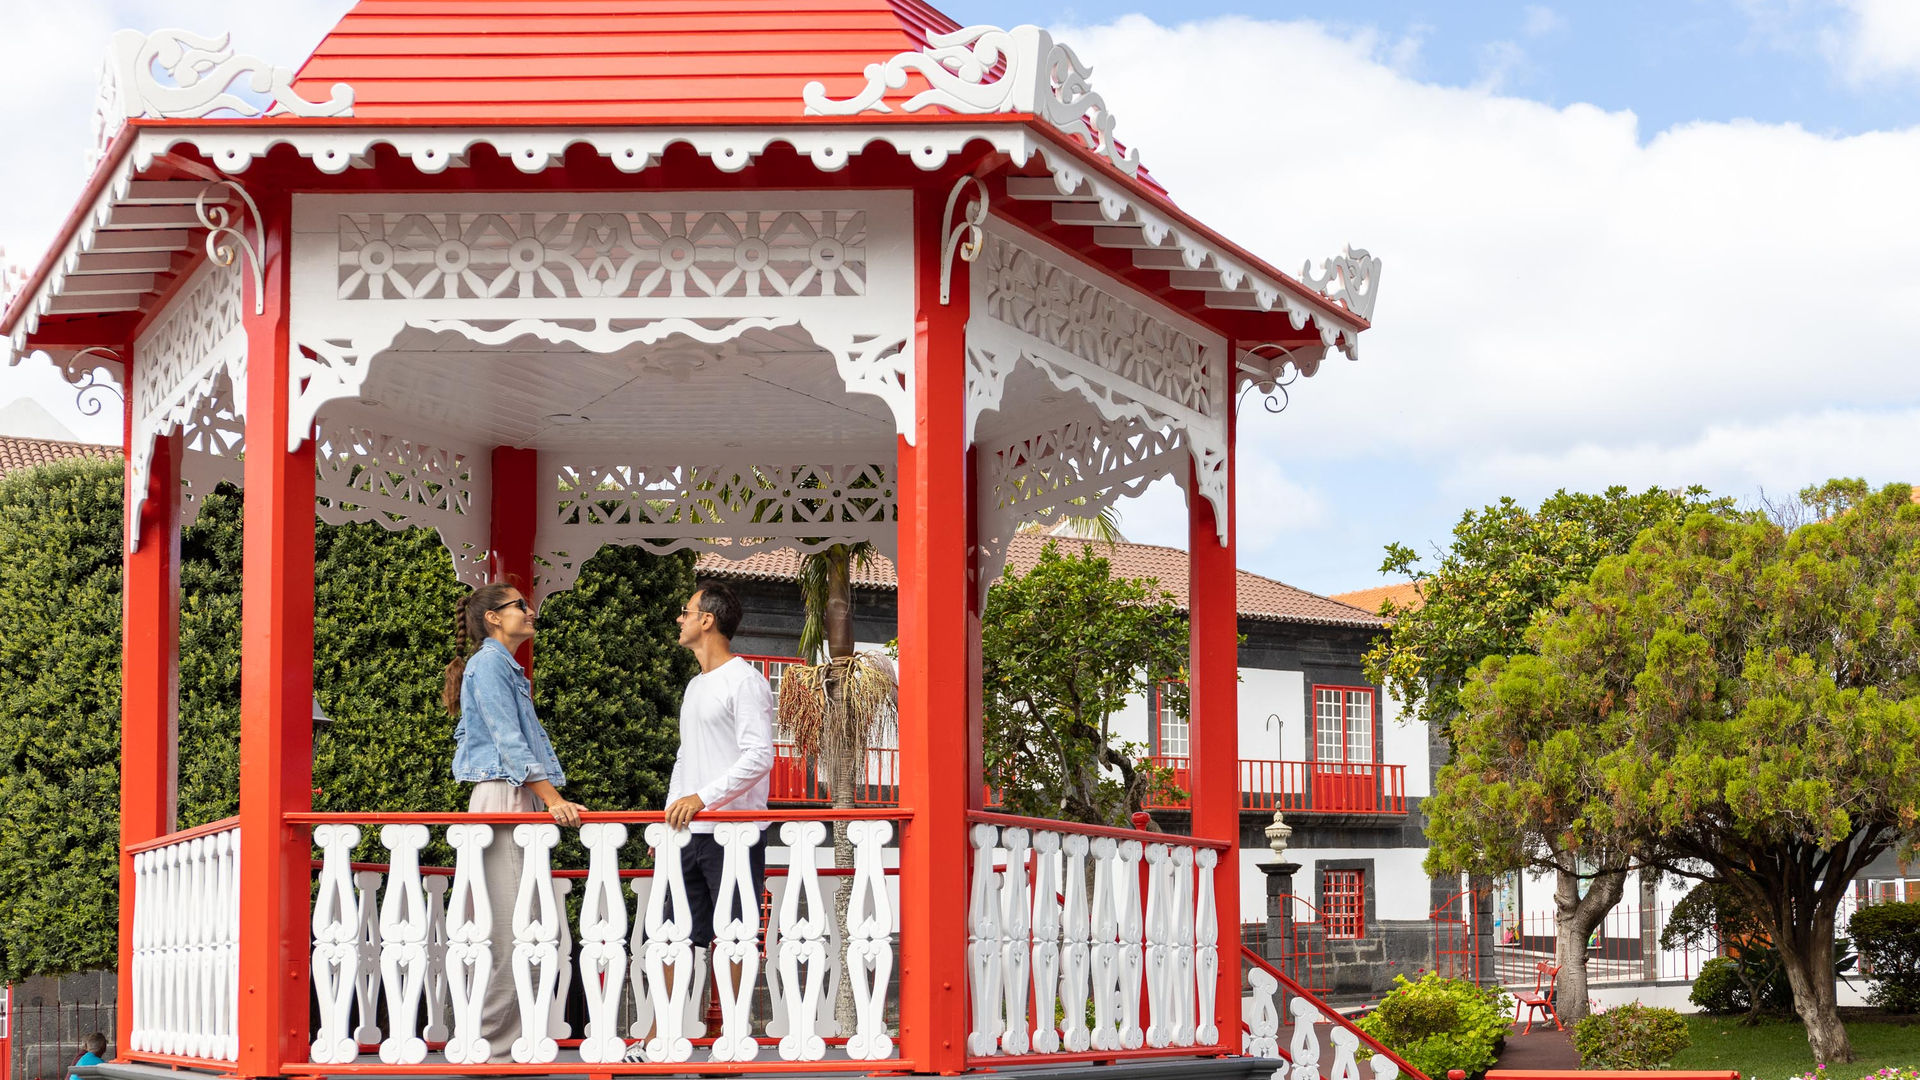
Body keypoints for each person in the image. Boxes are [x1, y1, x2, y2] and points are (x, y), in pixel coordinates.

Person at [442, 581, 587, 1062]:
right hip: (504, 796)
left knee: (521, 921)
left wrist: (544, 797)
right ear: (493, 618)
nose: (530, 611)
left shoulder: (502, 667)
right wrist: (552, 798)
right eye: (519, 605)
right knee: (506, 925)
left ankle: (506, 1041)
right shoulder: (489, 665)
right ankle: (487, 1044)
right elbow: (508, 741)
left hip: (512, 796)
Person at [664, 579, 776, 955]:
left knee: (735, 938)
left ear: (707, 620)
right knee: (672, 936)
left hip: (735, 834)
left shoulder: (745, 681)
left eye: (686, 612)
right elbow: (686, 755)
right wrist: (673, 812)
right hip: (691, 831)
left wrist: (701, 799)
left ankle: (734, 1016)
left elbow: (759, 755)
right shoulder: (695, 685)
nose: (680, 619)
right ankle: (661, 1018)